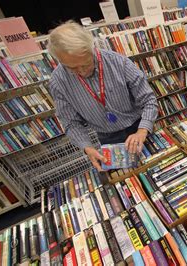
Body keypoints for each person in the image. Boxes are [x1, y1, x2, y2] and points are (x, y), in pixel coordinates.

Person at [47, 21, 158, 171]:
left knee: (155, 165)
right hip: (107, 137)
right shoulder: (58, 82)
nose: (81, 71)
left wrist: (143, 130)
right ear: (59, 60)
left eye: (86, 63)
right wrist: (87, 147)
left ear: (91, 48)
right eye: (72, 67)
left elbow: (149, 100)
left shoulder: (119, 62)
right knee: (126, 177)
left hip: (139, 126)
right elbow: (71, 123)